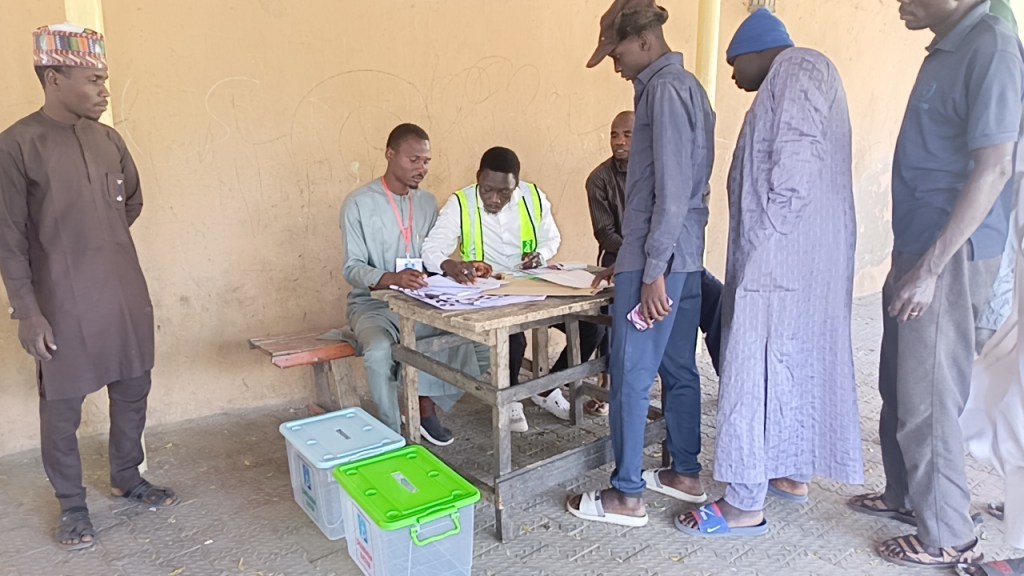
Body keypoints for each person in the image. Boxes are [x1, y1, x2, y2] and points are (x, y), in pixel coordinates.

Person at [847, 0, 1024, 568]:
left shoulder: (991, 45)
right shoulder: (948, 44)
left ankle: (949, 533)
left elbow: (995, 166)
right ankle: (904, 496)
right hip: (918, 245)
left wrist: (929, 270)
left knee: (928, 397)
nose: (901, 3)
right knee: (898, 384)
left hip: (948, 255)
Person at [675, 9, 862, 538]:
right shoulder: (798, 74)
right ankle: (790, 473)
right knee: (791, 368)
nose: (734, 77)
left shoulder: (798, 69)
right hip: (797, 267)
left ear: (758, 50)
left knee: (756, 375)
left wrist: (763, 252)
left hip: (779, 266)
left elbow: (794, 172)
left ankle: (743, 504)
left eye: (736, 63)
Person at [0, 24, 179, 552]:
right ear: (54, 78)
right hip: (60, 302)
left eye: (105, 79)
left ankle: (127, 475)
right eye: (94, 79)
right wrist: (28, 311)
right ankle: (72, 506)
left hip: (123, 290)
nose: (104, 90)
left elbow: (132, 203)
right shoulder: (16, 145)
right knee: (61, 409)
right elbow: (8, 238)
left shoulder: (108, 139)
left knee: (132, 388)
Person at [566, 0, 715, 527]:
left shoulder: (664, 92)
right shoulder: (691, 88)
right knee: (677, 367)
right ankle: (684, 473)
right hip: (684, 260)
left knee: (629, 375)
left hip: (660, 265)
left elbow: (670, 192)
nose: (615, 63)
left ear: (646, 42)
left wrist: (649, 269)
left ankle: (626, 493)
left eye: (618, 51)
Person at [422, 147, 598, 432]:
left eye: (504, 193)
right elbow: (431, 248)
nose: (494, 199)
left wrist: (540, 255)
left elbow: (551, 238)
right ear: (478, 178)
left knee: (592, 326)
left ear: (515, 185)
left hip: (531, 284)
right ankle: (511, 396)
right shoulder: (460, 203)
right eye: (488, 190)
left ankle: (548, 387)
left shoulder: (534, 198)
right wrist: (450, 265)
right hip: (491, 290)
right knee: (513, 337)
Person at [341, 123, 481, 446]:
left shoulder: (428, 203)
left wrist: (455, 268)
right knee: (378, 351)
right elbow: (352, 268)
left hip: (421, 303)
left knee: (470, 345)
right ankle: (392, 433)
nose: (422, 168)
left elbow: (433, 256)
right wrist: (391, 278)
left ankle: (424, 406)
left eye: (427, 161)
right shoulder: (358, 203)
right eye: (414, 159)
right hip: (375, 304)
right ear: (390, 155)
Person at [584, 110, 724, 418]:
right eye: (614, 135)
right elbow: (606, 234)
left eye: (627, 135)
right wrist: (643, 259)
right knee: (615, 312)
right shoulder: (599, 179)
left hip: (670, 262)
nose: (618, 142)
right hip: (622, 260)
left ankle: (729, 379)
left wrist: (661, 260)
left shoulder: (664, 174)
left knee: (717, 299)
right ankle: (611, 387)